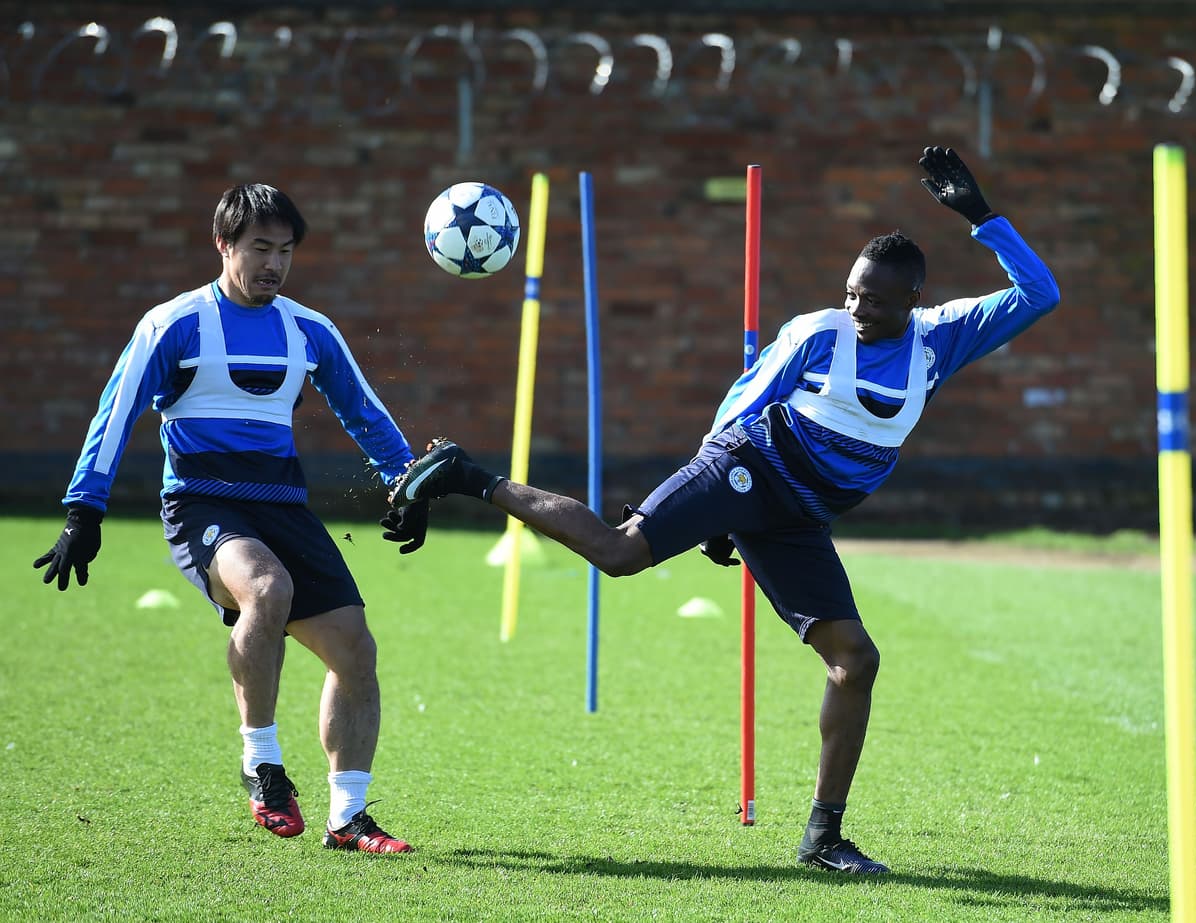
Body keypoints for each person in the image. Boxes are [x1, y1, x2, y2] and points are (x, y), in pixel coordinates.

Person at [389, 146, 1060, 875]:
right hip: (745, 469)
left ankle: (823, 836)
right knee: (620, 554)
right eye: (853, 292)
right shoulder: (816, 332)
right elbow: (740, 406)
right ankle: (465, 473)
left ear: (913, 298)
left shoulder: (942, 337)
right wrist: (710, 505)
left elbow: (1040, 293)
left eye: (877, 299)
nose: (859, 308)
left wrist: (983, 219)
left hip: (799, 520)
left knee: (856, 661)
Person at [33, 183, 433, 855]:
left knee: (355, 651)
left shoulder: (309, 329)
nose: (273, 264)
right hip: (201, 503)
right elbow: (117, 409)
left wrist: (408, 487)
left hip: (283, 504)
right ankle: (262, 762)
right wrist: (84, 508)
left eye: (285, 251)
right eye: (259, 248)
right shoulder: (175, 323)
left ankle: (348, 817)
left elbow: (366, 414)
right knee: (266, 587)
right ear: (224, 245)